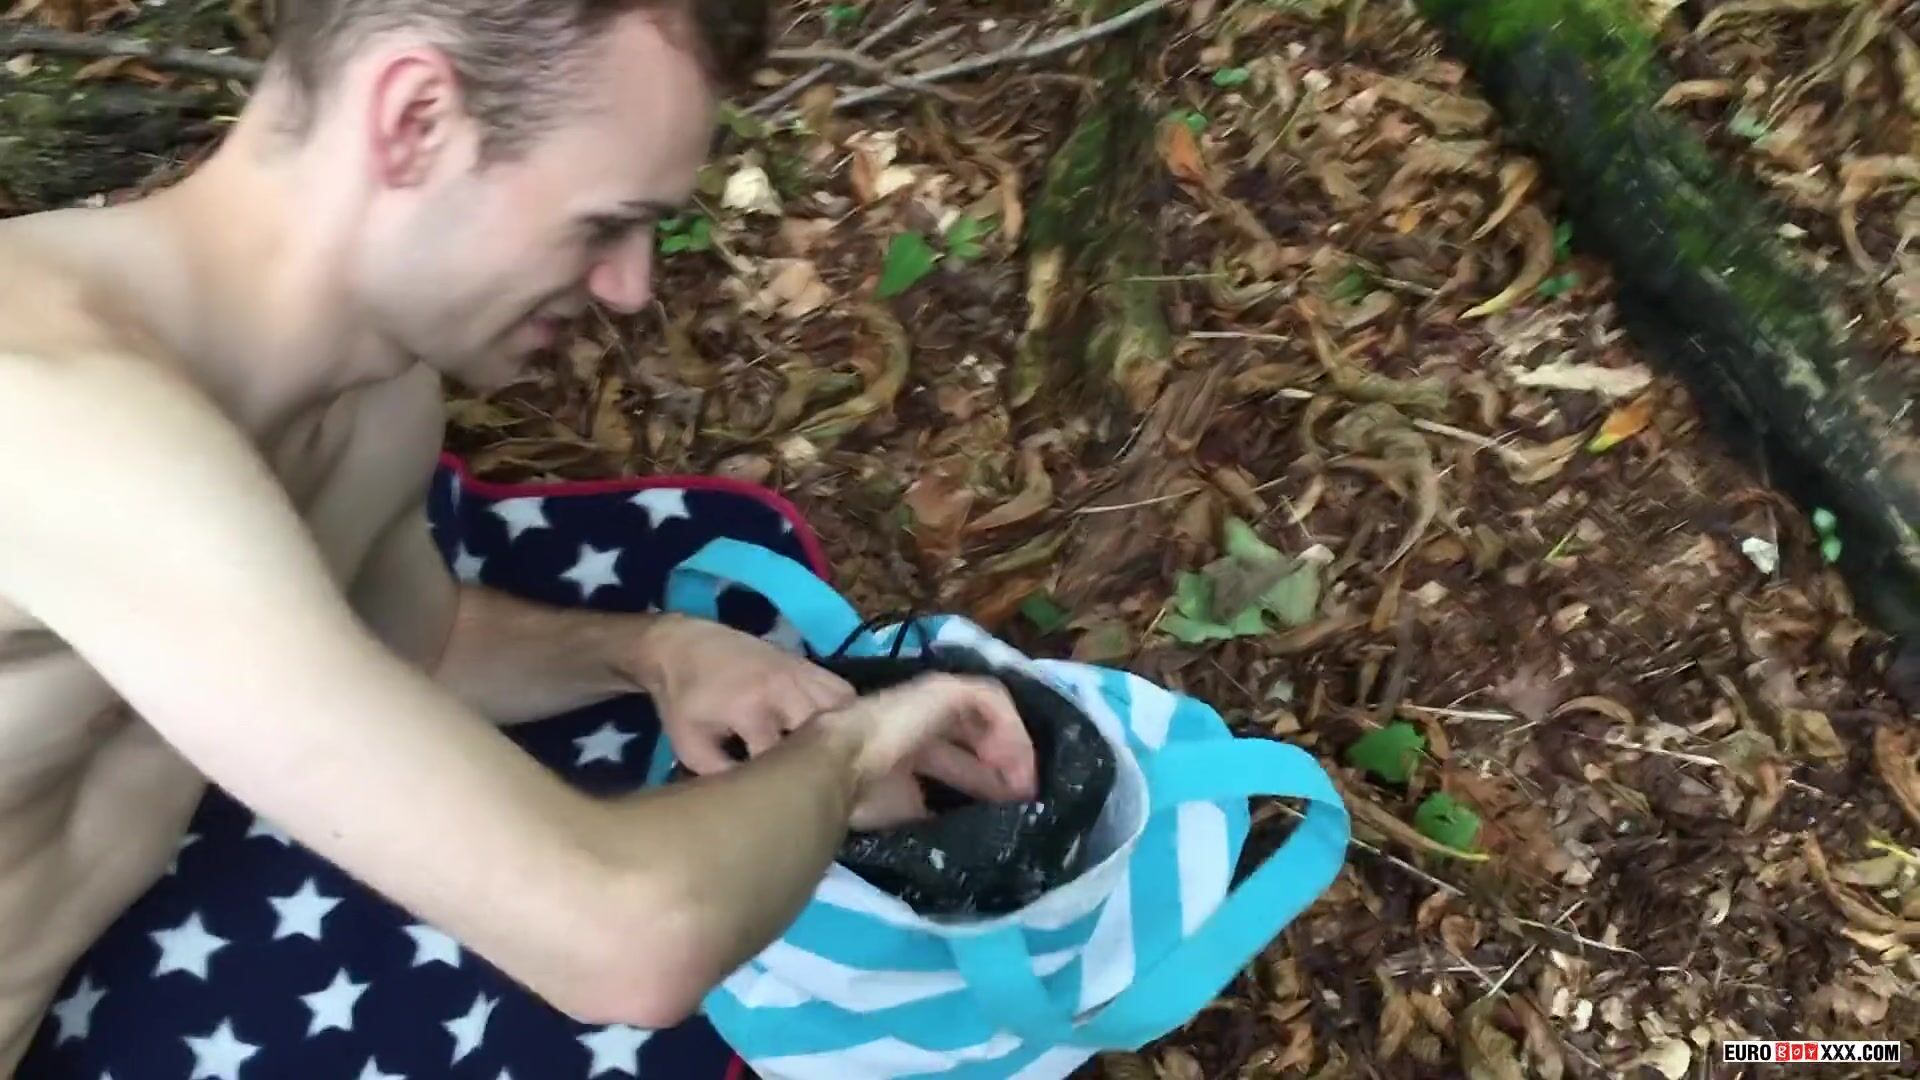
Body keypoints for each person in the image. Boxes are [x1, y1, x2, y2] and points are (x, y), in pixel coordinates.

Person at [0, 0, 1040, 1071]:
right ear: (412, 118)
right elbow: (627, 941)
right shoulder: (56, 421)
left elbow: (417, 645)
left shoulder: (376, 399)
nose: (631, 287)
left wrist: (653, 653)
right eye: (601, 225)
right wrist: (854, 748)